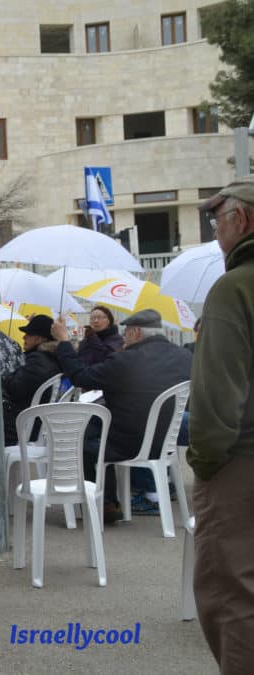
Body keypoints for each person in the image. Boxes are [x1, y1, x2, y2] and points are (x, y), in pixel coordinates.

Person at [186, 179, 254, 672]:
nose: (215, 233)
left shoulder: (234, 288)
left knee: (234, 599)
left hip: (242, 466)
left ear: (242, 220)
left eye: (217, 221)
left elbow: (215, 398)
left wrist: (204, 464)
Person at [51, 309, 192, 524]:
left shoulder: (127, 360)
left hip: (132, 444)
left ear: (136, 333)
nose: (123, 338)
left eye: (126, 333)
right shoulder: (185, 356)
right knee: (98, 428)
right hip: (168, 442)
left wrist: (63, 342)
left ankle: (105, 503)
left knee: (83, 440)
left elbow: (81, 377)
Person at [1, 314, 62, 446]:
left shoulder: (38, 361)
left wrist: (5, 373)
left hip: (26, 427)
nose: (24, 337)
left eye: (29, 334)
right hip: (40, 424)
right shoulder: (51, 357)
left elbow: (14, 389)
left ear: (40, 339)